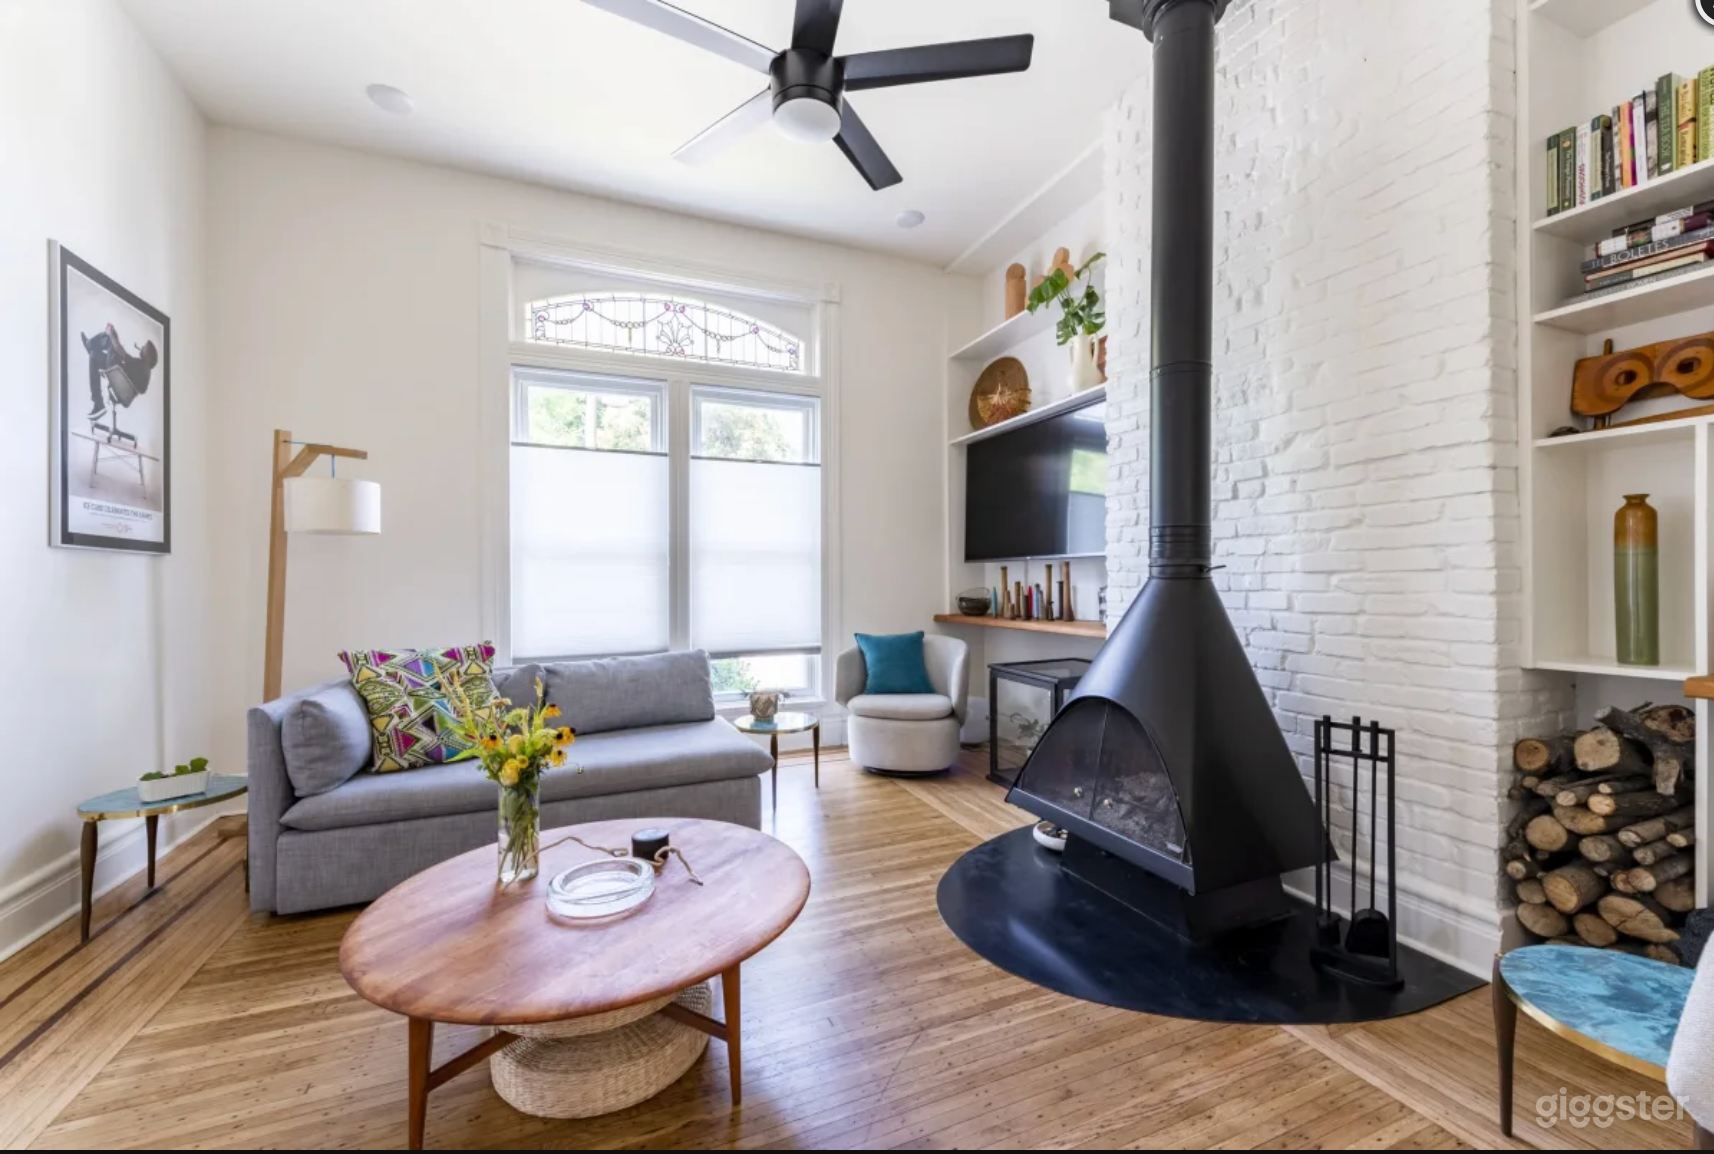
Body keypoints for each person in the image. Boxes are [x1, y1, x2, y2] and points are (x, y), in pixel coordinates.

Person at [81, 322, 157, 420]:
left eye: (144, 347)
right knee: (94, 356)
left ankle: (89, 344)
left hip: (116, 376)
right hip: (118, 377)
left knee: (109, 339)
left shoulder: (142, 366)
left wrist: (111, 334)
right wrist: (114, 337)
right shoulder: (144, 371)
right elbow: (123, 357)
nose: (142, 348)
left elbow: (120, 351)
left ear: (148, 354)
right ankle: (98, 404)